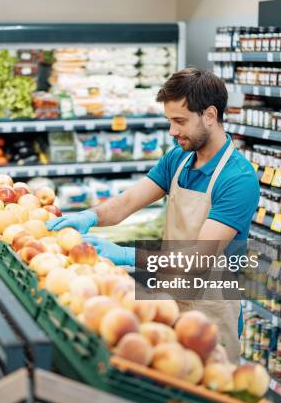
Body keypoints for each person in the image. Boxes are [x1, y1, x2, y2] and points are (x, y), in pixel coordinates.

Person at [46, 68, 260, 361]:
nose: (172, 131)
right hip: (168, 301)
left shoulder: (238, 179)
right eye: (170, 121)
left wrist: (127, 255)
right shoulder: (179, 157)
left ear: (209, 115)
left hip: (210, 315)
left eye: (180, 121)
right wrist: (89, 216)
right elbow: (128, 201)